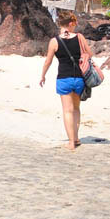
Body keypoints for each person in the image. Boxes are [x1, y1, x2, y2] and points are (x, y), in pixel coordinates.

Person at [39, 10, 93, 151]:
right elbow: (89, 53)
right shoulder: (80, 37)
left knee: (67, 111)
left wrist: (43, 75)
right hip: (79, 79)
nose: (75, 27)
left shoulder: (54, 41)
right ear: (70, 23)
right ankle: (76, 137)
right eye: (74, 24)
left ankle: (71, 143)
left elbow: (48, 61)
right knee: (76, 109)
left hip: (64, 79)